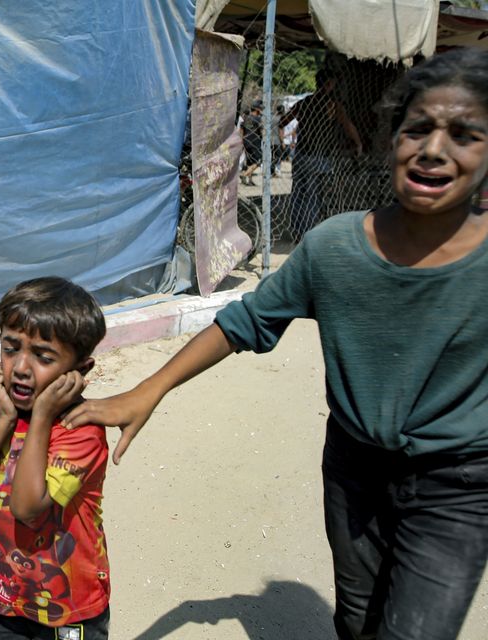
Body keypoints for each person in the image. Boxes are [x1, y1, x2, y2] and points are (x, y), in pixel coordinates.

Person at [63, 47, 488, 640]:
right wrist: (148, 390)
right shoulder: (335, 249)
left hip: (459, 483)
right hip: (354, 468)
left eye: (465, 135)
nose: (435, 149)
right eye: (417, 128)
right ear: (391, 140)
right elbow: (245, 322)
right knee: (359, 617)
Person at [0, 277, 111, 639]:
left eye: (43, 356)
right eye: (11, 348)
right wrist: (6, 419)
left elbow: (27, 508)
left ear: (80, 371)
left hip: (69, 608)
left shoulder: (81, 429)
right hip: (4, 598)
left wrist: (39, 418)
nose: (21, 367)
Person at [281, 69, 364, 240]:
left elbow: (283, 121)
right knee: (313, 195)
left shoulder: (304, 102)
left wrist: (283, 140)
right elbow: (348, 126)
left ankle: (296, 229)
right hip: (320, 156)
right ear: (328, 84)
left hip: (302, 155)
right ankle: (308, 233)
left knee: (298, 192)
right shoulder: (332, 104)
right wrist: (358, 143)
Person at [240, 100, 264, 186]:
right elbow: (261, 131)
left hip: (246, 142)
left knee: (250, 162)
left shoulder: (246, 118)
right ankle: (244, 174)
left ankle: (249, 180)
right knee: (260, 160)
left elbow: (242, 130)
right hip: (255, 142)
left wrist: (242, 141)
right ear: (257, 109)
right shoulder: (258, 119)